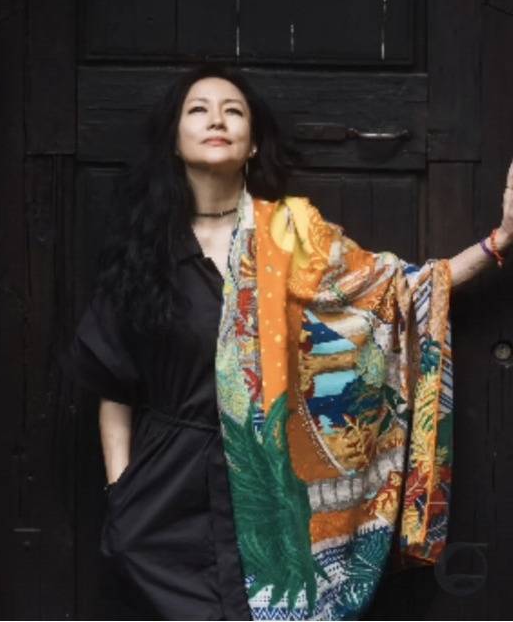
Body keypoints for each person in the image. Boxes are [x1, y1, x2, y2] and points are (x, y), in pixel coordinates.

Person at [67, 63, 513, 621]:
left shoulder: (296, 238)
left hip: (275, 492)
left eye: (233, 111)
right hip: (166, 496)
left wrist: (499, 242)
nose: (217, 120)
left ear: (253, 143)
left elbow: (397, 293)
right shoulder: (145, 251)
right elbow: (114, 383)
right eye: (198, 110)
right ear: (174, 142)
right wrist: (121, 495)